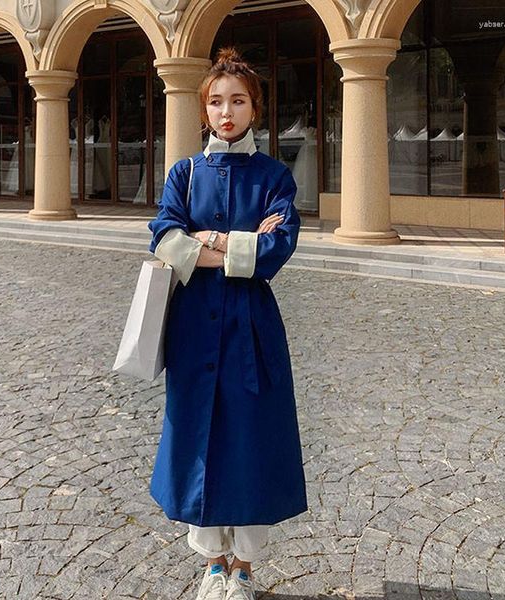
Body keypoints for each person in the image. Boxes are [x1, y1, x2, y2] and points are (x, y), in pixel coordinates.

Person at [147, 47, 308, 600]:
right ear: (203, 110)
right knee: (197, 436)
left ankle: (244, 565)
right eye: (216, 102)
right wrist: (238, 243)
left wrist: (207, 241)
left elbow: (277, 250)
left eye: (237, 101)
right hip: (194, 328)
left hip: (252, 331)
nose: (226, 112)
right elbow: (165, 239)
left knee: (250, 440)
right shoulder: (184, 173)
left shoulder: (274, 177)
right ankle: (213, 562)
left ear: (254, 108)